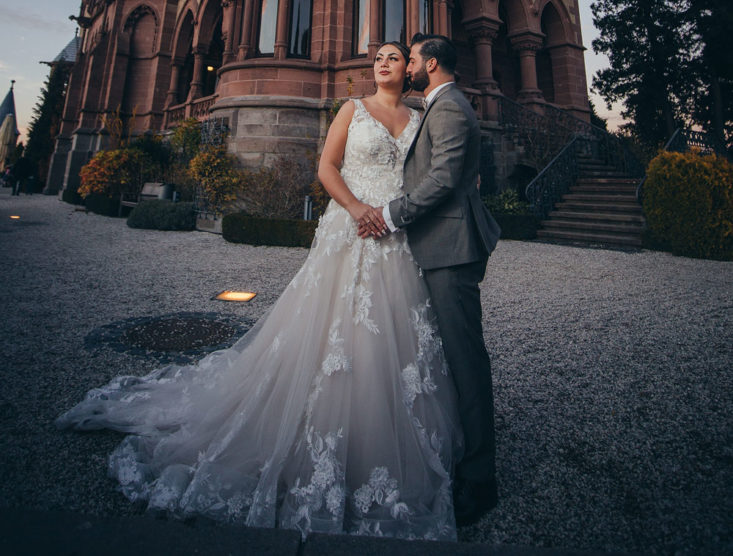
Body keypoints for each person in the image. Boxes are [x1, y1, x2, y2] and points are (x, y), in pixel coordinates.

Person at [57, 43, 461, 539]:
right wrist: (357, 209)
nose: (384, 63)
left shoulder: (421, 116)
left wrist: (396, 214)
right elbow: (326, 168)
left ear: (411, 68)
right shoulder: (352, 109)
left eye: (395, 57)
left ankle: (381, 441)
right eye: (378, 56)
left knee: (390, 337)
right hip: (352, 227)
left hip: (396, 237)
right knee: (327, 331)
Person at [358, 33, 501, 527]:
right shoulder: (436, 107)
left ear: (431, 63)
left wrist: (393, 214)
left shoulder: (451, 108)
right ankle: (455, 448)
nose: (408, 64)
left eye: (412, 58)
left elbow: (442, 180)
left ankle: (481, 480)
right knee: (446, 355)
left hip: (451, 249)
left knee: (465, 359)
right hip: (437, 246)